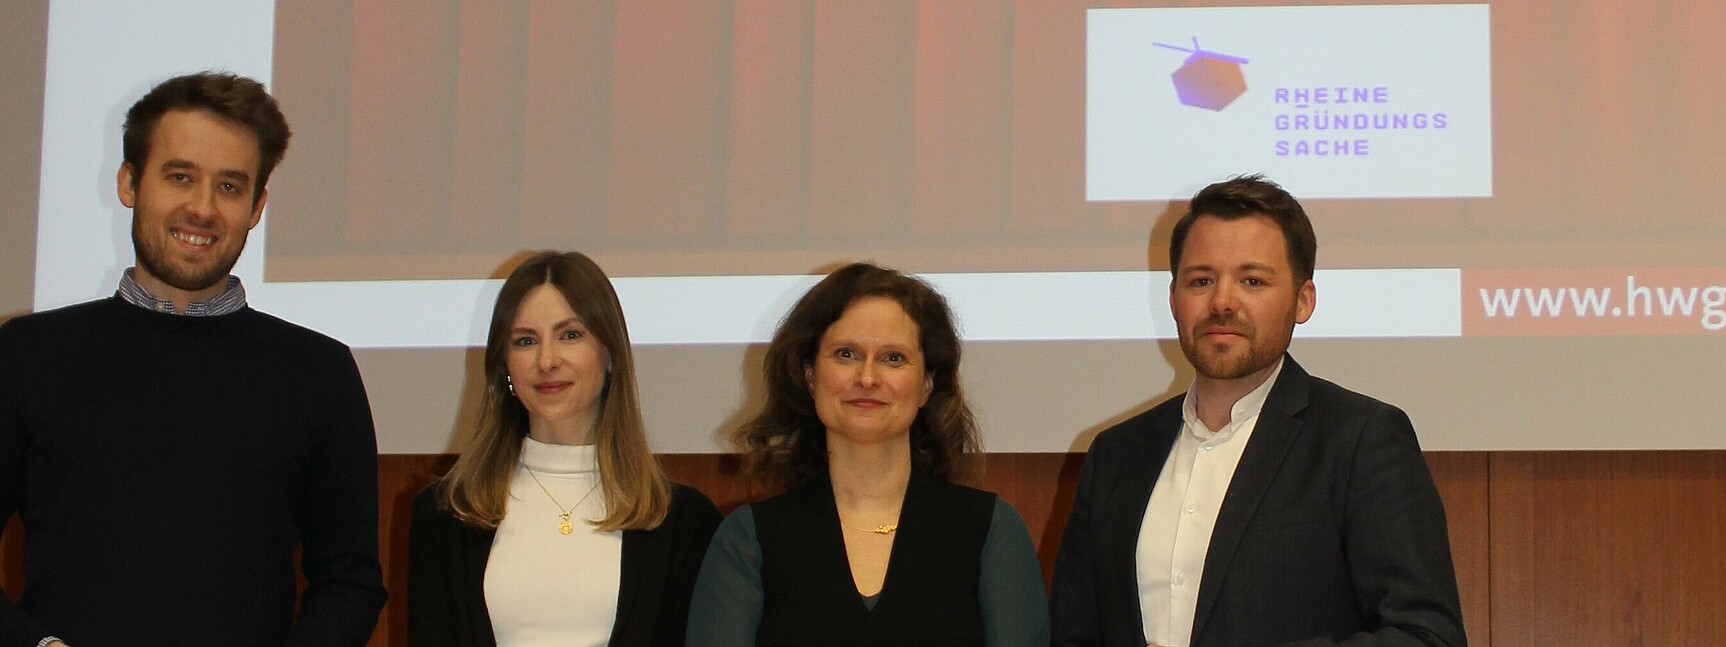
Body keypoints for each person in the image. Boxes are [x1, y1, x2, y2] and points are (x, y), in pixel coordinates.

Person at [0, 72, 386, 646]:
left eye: (230, 187)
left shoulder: (319, 374)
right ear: (130, 182)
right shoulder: (28, 356)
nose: (202, 209)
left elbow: (351, 582)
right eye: (180, 177)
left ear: (257, 207)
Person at [1049, 175, 1466, 647]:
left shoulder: (1361, 440)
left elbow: (1428, 636)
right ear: (1173, 299)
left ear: (1303, 301)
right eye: (1201, 280)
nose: (1223, 302)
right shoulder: (1115, 457)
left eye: (1252, 281)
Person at [687, 262, 1050, 646]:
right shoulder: (749, 540)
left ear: (927, 383)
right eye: (846, 354)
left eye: (893, 358)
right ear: (809, 375)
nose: (868, 378)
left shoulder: (991, 531)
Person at [408, 251, 723, 646]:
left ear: (609, 354)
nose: (547, 360)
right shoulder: (444, 515)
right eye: (525, 341)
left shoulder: (683, 522)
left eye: (570, 335)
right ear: (504, 365)